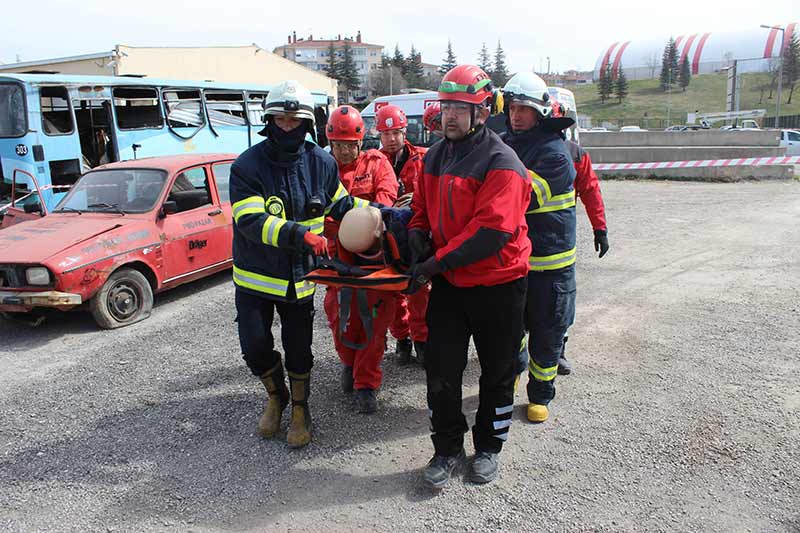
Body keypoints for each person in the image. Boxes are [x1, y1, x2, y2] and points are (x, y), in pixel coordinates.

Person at [407, 64, 531, 487]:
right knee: (440, 370)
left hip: (499, 284)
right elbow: (421, 209)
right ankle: (446, 449)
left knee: (497, 372)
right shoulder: (435, 156)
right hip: (451, 284)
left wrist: (434, 263)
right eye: (446, 107)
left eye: (462, 108)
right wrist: (417, 237)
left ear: (482, 112)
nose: (451, 116)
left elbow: (490, 234)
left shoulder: (503, 163)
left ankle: (489, 449)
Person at [229, 81, 369, 448]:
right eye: (280, 119)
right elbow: (250, 222)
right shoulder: (247, 166)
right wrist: (301, 235)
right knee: (255, 348)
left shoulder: (321, 163)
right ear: (268, 120)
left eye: (295, 120)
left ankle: (301, 410)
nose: (287, 126)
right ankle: (276, 396)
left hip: (298, 281)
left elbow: (343, 206)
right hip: (255, 278)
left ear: (308, 122)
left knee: (300, 351)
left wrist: (384, 219)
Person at [501, 72, 577, 424]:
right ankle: (515, 371)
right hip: (513, 262)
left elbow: (521, 196)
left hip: (550, 266)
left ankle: (541, 394)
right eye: (513, 107)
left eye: (524, 109)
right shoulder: (503, 143)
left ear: (541, 112)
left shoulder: (555, 154)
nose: (516, 115)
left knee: (546, 335)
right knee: (511, 328)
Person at [323, 105, 398, 413]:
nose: (344, 150)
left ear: (360, 141)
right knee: (339, 317)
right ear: (330, 142)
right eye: (339, 144)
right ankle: (348, 362)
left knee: (376, 320)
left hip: (373, 257)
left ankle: (367, 382)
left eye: (350, 144)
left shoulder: (376, 162)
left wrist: (355, 224)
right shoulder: (322, 167)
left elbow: (385, 200)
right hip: (334, 258)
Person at [551, 101, 610, 375]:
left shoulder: (575, 154)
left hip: (560, 241)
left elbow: (590, 190)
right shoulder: (514, 149)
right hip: (522, 241)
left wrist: (600, 228)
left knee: (561, 300)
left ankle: (559, 350)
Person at [376, 104, 430, 366]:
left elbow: (436, 191)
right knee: (392, 292)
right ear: (379, 135)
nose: (391, 139)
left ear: (404, 130)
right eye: (386, 134)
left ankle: (421, 340)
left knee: (420, 290)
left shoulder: (424, 158)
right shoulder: (372, 162)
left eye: (396, 132)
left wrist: (415, 200)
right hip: (385, 237)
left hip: (416, 236)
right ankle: (402, 339)